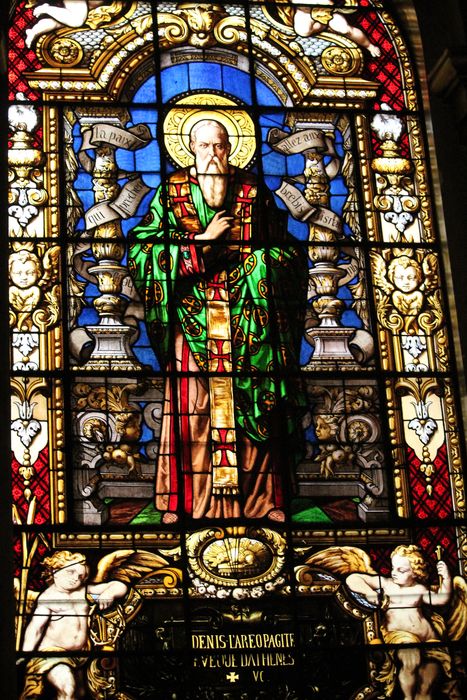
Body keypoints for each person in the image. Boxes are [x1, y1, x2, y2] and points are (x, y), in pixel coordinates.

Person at [128, 118, 307, 521]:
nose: (213, 154)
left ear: (230, 148)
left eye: (220, 146)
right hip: (192, 319)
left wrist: (260, 265)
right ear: (190, 148)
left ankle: (263, 502)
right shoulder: (171, 192)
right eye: (205, 146)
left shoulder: (252, 191)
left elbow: (288, 253)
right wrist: (201, 243)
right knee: (192, 411)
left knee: (256, 402)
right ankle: (183, 502)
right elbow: (142, 250)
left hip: (251, 321)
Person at [346, 545, 453, 700]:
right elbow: (352, 579)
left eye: (401, 570)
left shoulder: (420, 589)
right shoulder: (386, 584)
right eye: (393, 568)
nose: (393, 572)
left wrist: (447, 578)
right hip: (400, 637)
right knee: (411, 658)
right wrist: (369, 592)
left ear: (415, 572)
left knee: (432, 670)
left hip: (428, 639)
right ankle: (407, 697)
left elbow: (442, 599)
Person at [20, 550, 128, 700]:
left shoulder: (83, 592)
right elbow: (36, 628)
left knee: (79, 694)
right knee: (67, 689)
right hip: (53, 654)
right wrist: (25, 654)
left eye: (81, 576)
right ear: (55, 570)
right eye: (70, 572)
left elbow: (119, 586)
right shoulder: (48, 598)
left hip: (80, 656)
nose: (75, 579)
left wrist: (109, 593)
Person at [290, 0, 381, 57]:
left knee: (345, 29)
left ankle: (369, 46)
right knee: (303, 31)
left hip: (329, 12)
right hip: (305, 14)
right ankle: (323, 26)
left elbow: (330, 3)